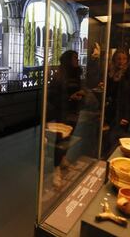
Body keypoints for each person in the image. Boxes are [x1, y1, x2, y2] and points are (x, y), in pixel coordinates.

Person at [48, 50, 85, 187]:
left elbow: (79, 88)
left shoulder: (76, 74)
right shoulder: (59, 76)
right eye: (74, 58)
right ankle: (56, 168)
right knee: (61, 140)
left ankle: (63, 158)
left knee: (69, 137)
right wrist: (70, 97)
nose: (77, 60)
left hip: (74, 111)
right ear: (68, 60)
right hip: (63, 112)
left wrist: (82, 93)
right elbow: (52, 95)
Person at [103, 48, 130, 156]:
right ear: (114, 60)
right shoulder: (112, 72)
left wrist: (126, 116)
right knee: (111, 134)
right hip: (113, 108)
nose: (121, 61)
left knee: (118, 136)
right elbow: (109, 92)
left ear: (127, 60)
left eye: (124, 59)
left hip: (123, 110)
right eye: (118, 59)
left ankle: (114, 157)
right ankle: (109, 156)